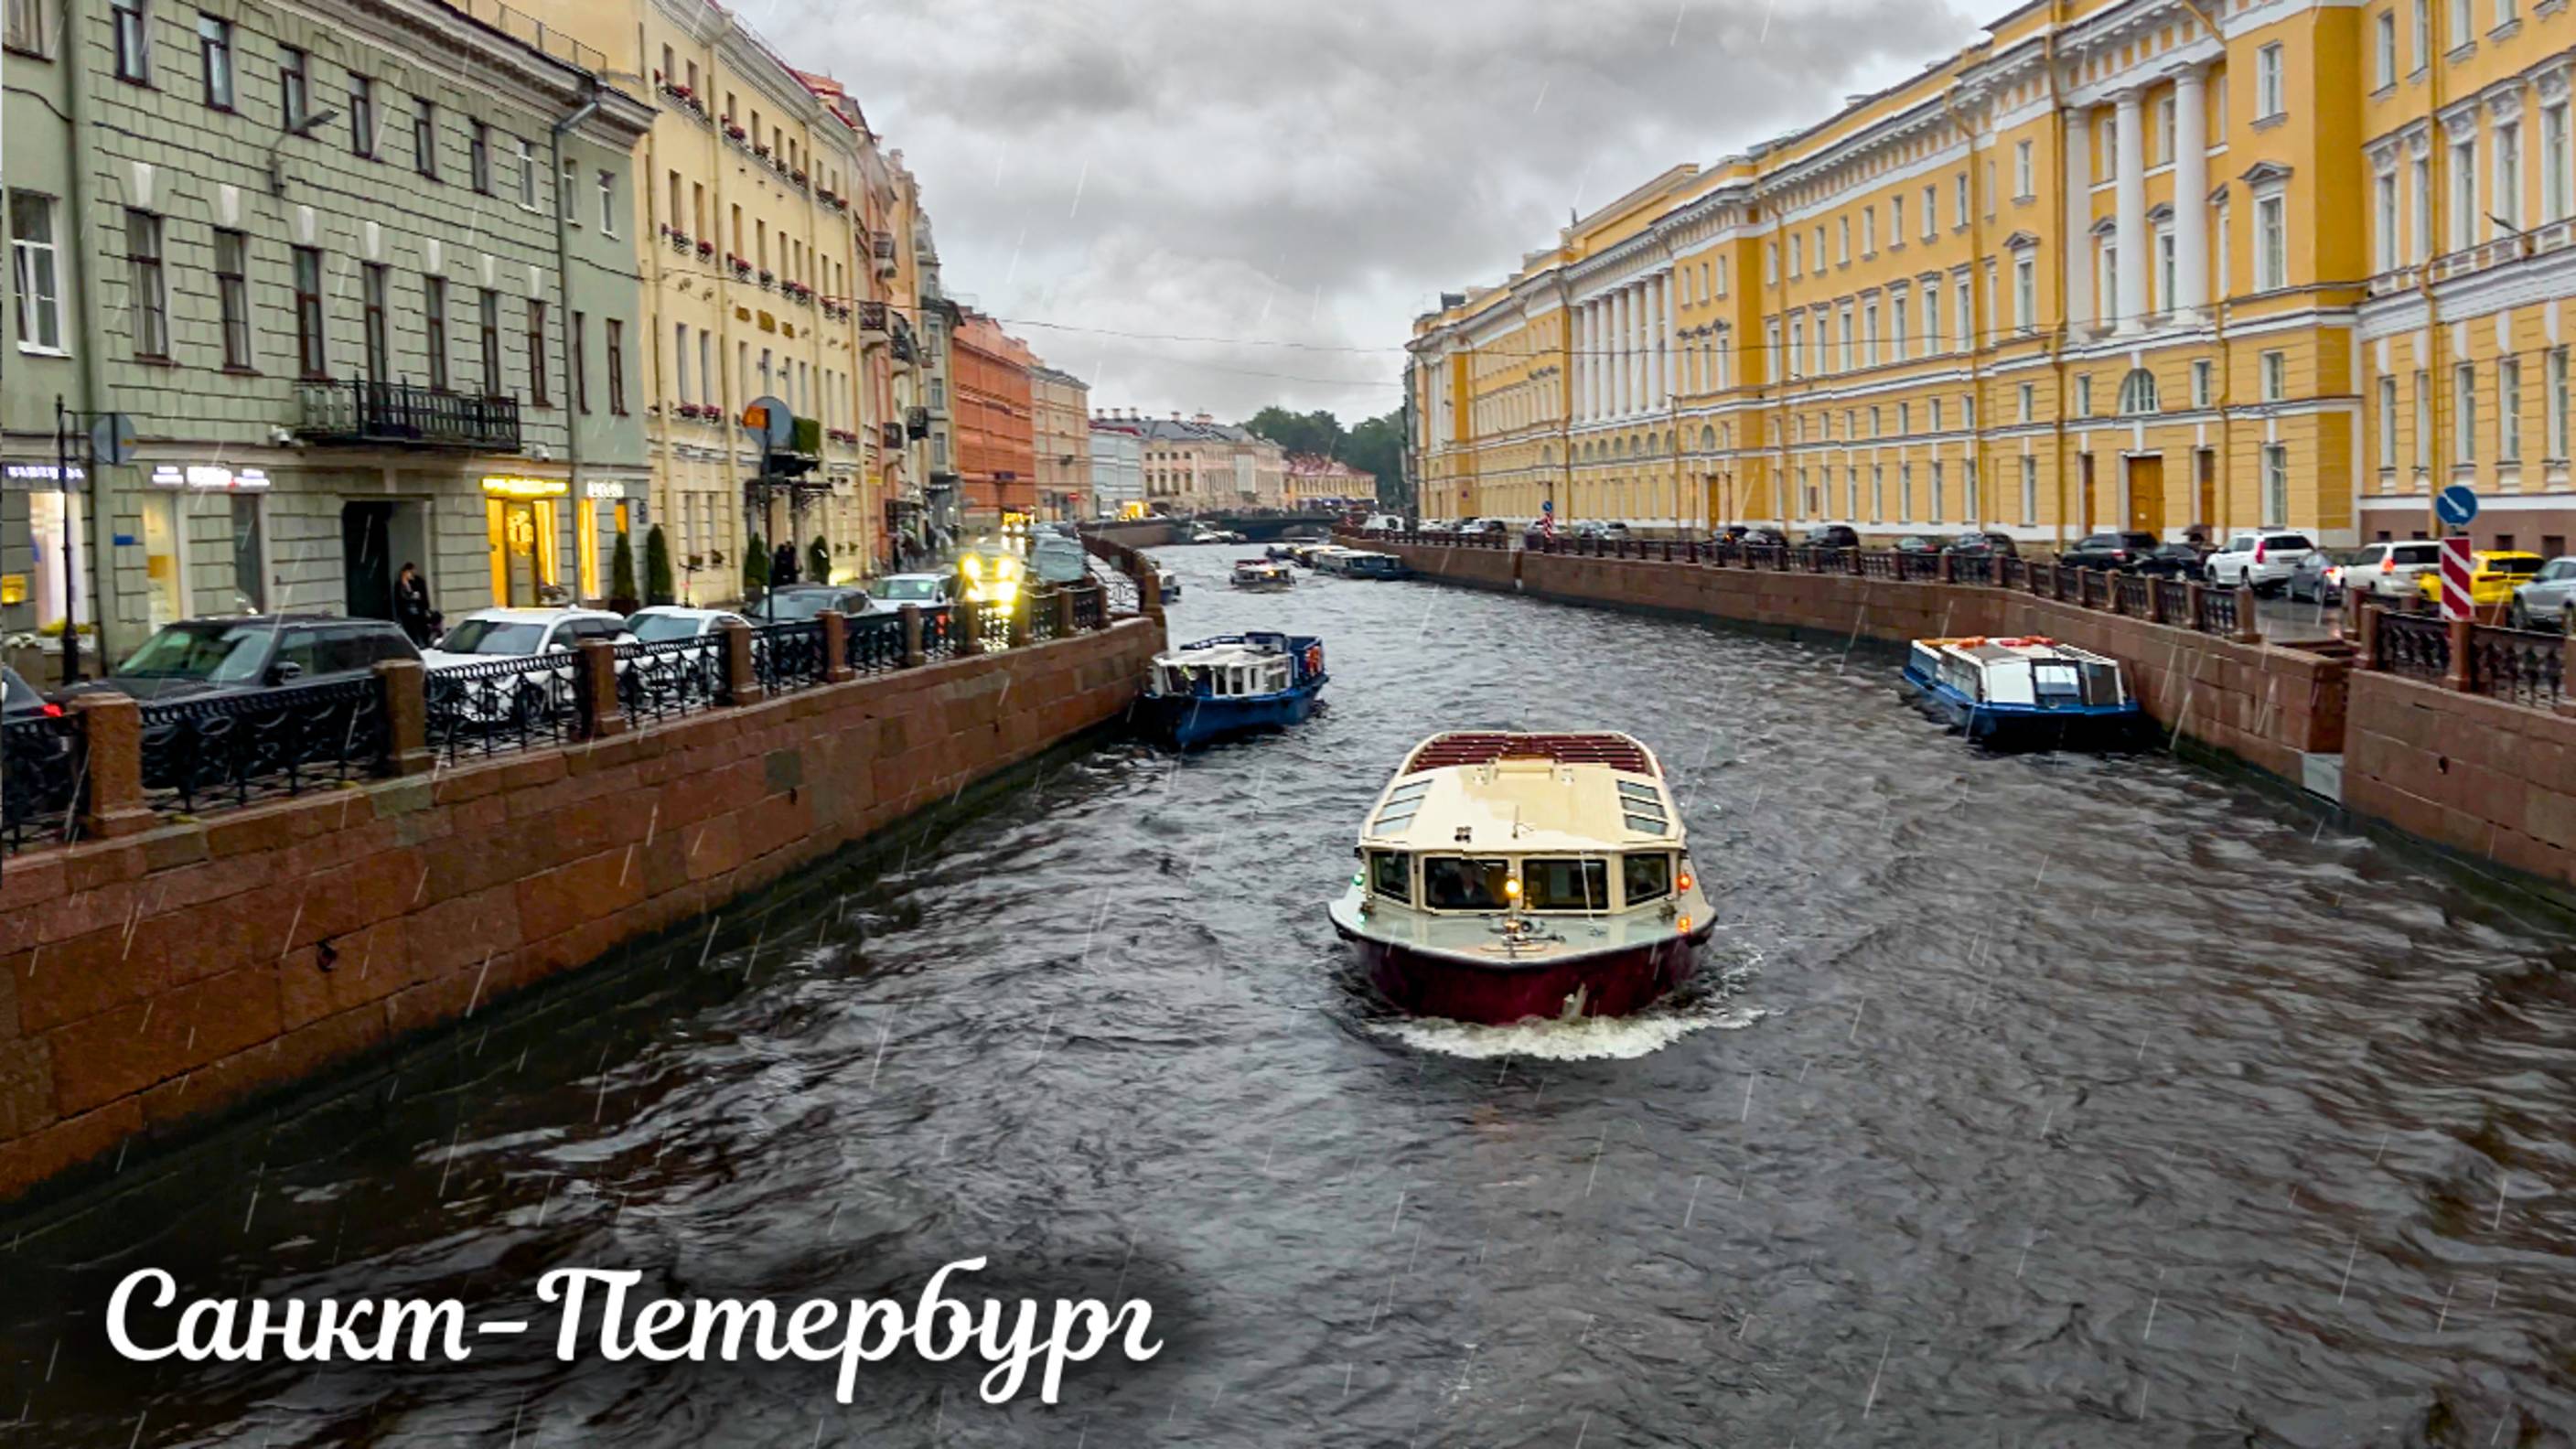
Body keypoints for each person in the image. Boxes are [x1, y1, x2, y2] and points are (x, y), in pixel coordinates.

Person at [394, 563, 434, 646]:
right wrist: (405, 584)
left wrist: (426, 608)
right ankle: (415, 644)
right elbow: (399, 599)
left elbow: (420, 595)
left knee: (423, 629)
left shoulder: (418, 582)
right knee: (410, 631)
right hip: (407, 613)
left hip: (419, 610)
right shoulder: (400, 585)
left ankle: (426, 644)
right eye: (407, 573)